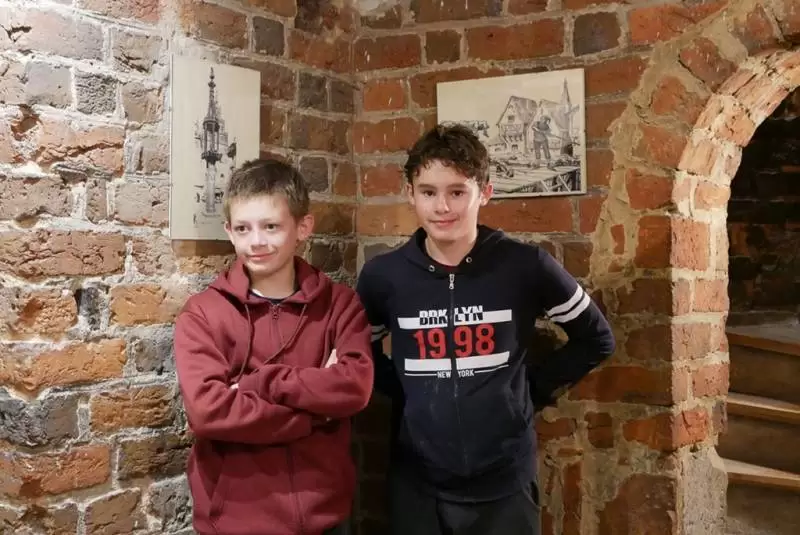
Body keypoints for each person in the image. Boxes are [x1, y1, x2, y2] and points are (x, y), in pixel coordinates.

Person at [355, 124, 616, 535]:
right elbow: (359, 355)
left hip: (504, 483)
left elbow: (596, 339)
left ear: (485, 192)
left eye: (458, 192)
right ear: (410, 194)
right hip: (418, 483)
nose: (442, 206)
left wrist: (527, 392)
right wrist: (406, 389)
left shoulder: (526, 266)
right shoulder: (383, 277)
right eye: (428, 192)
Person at [174, 159, 373, 535]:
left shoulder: (340, 305)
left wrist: (258, 383)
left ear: (303, 227)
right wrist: (317, 412)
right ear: (229, 232)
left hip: (327, 518)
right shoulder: (203, 313)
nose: (256, 242)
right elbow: (208, 412)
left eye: (271, 227)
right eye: (243, 228)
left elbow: (355, 387)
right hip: (236, 522)